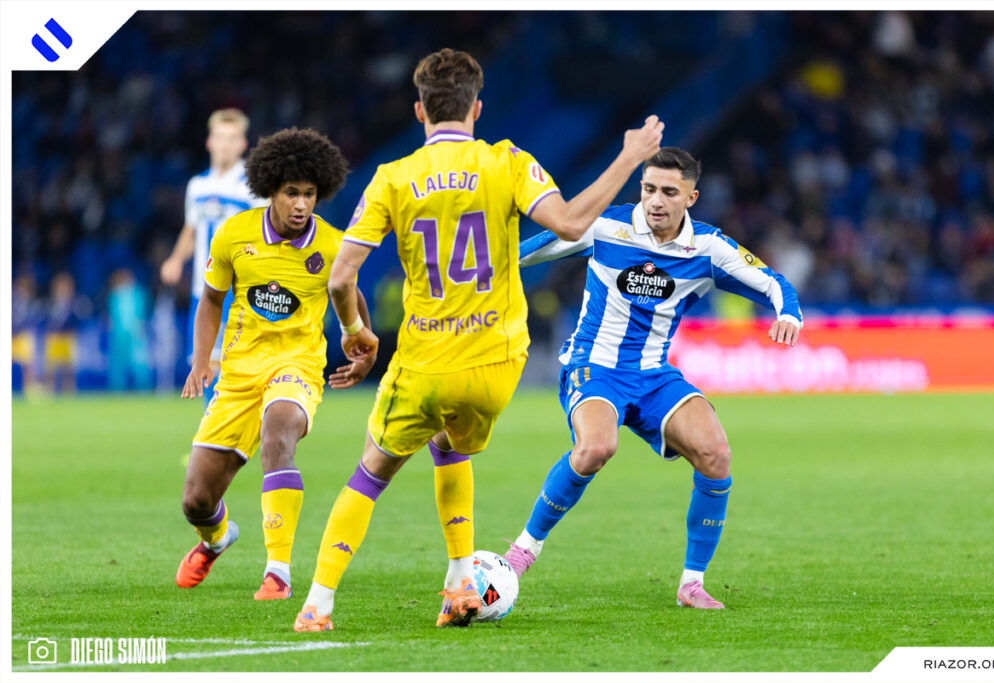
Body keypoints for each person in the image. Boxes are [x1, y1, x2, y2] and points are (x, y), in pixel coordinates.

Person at [293, 47, 663, 632]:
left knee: (371, 473)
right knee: (451, 447)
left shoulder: (393, 178)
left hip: (424, 363)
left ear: (419, 111)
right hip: (495, 366)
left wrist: (355, 333)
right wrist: (629, 156)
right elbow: (571, 224)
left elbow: (340, 278)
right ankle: (462, 583)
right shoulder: (507, 162)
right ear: (477, 109)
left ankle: (317, 604)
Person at [502, 147, 803, 609]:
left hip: (653, 375)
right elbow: (523, 254)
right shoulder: (606, 226)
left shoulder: (708, 247)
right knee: (596, 448)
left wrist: (788, 314)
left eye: (669, 192)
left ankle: (692, 584)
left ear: (691, 197)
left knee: (716, 454)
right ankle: (523, 551)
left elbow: (771, 282)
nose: (656, 201)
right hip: (594, 365)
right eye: (648, 189)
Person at [175, 127, 375, 602]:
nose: (301, 204)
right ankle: (217, 538)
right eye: (291, 193)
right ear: (270, 190)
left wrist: (362, 348)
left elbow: (350, 294)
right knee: (197, 500)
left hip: (297, 366)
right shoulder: (234, 235)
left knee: (280, 429)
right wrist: (202, 361)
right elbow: (210, 299)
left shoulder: (332, 245)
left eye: (309, 194)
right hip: (239, 372)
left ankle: (278, 572)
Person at [160, 108, 266, 403]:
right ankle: (213, 429)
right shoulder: (198, 185)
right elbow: (191, 230)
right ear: (209, 142)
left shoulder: (253, 185)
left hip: (237, 290)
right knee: (203, 364)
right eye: (220, 137)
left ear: (243, 144)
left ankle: (228, 429)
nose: (225, 145)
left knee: (231, 367)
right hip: (202, 289)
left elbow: (263, 233)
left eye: (232, 138)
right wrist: (176, 259)